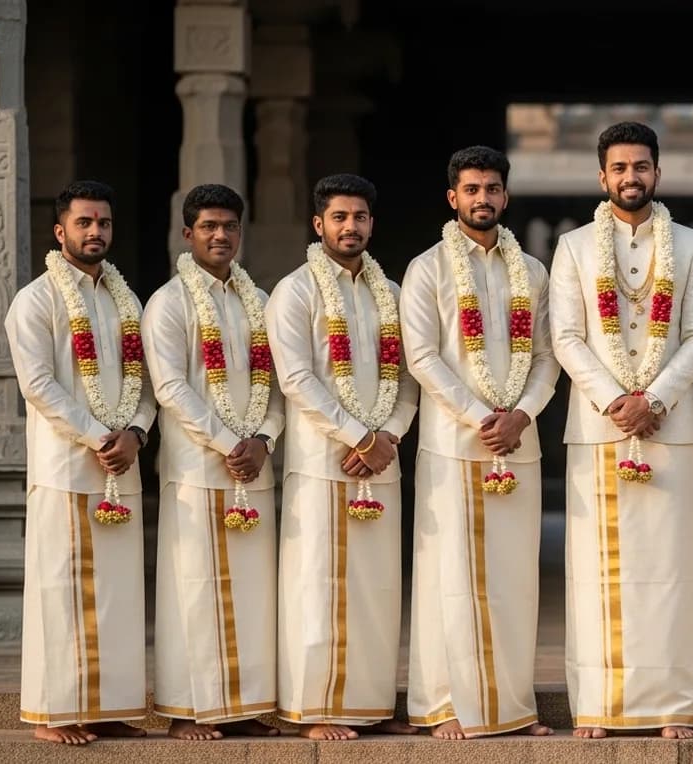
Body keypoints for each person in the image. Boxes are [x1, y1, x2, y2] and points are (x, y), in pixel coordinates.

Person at [549, 121, 693, 739]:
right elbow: (566, 336)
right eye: (619, 168)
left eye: (641, 167)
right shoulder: (573, 248)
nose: (630, 178)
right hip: (598, 430)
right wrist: (617, 400)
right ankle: (597, 704)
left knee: (670, 574)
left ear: (657, 173)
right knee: (595, 573)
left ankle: (672, 707)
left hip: (669, 431)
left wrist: (658, 398)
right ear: (602, 177)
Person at [400, 146, 559, 739]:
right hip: (453, 446)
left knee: (515, 580)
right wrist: (480, 415)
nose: (483, 198)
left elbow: (547, 358)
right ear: (453, 197)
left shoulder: (533, 272)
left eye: (493, 188)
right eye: (472, 189)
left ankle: (510, 708)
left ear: (506, 196)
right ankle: (448, 707)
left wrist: (519, 415)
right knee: (451, 579)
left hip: (517, 444)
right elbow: (422, 356)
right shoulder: (428, 268)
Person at [265, 173, 419, 740]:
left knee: (377, 588)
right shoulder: (295, 291)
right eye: (339, 218)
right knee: (319, 585)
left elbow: (409, 378)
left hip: (380, 463)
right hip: (323, 462)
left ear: (372, 225)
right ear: (319, 224)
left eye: (359, 218)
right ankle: (315, 710)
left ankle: (371, 705)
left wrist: (390, 437)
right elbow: (298, 378)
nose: (350, 227)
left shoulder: (393, 294)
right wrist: (359, 436)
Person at [5, 180, 156, 744]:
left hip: (121, 467)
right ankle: (56, 713)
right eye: (85, 223)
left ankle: (108, 705)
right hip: (66, 467)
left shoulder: (125, 300)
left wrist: (136, 431)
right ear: (59, 230)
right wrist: (99, 436)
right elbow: (39, 384)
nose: (96, 233)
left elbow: (145, 381)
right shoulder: (36, 299)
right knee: (61, 589)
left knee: (117, 592)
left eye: (105, 224)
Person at [144, 184, 284, 740]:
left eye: (229, 227)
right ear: (188, 234)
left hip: (254, 467)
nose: (220, 236)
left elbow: (275, 385)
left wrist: (265, 438)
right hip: (197, 468)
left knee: (253, 590)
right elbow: (171, 387)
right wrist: (229, 442)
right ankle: (187, 710)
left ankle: (247, 705)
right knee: (194, 587)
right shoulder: (168, 303)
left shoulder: (260, 302)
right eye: (208, 227)